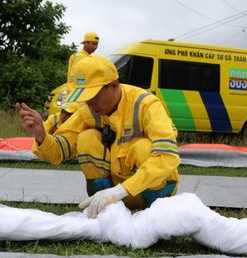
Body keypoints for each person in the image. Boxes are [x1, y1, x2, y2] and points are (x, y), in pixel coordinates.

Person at [17, 55, 180, 219]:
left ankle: (154, 216)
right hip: (113, 196)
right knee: (87, 139)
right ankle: (102, 211)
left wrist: (119, 191)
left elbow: (167, 156)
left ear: (114, 85)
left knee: (143, 148)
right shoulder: (88, 111)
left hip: (153, 191)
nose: (89, 103)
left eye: (94, 96)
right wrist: (41, 135)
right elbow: (59, 150)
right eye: (85, 98)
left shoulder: (145, 104)